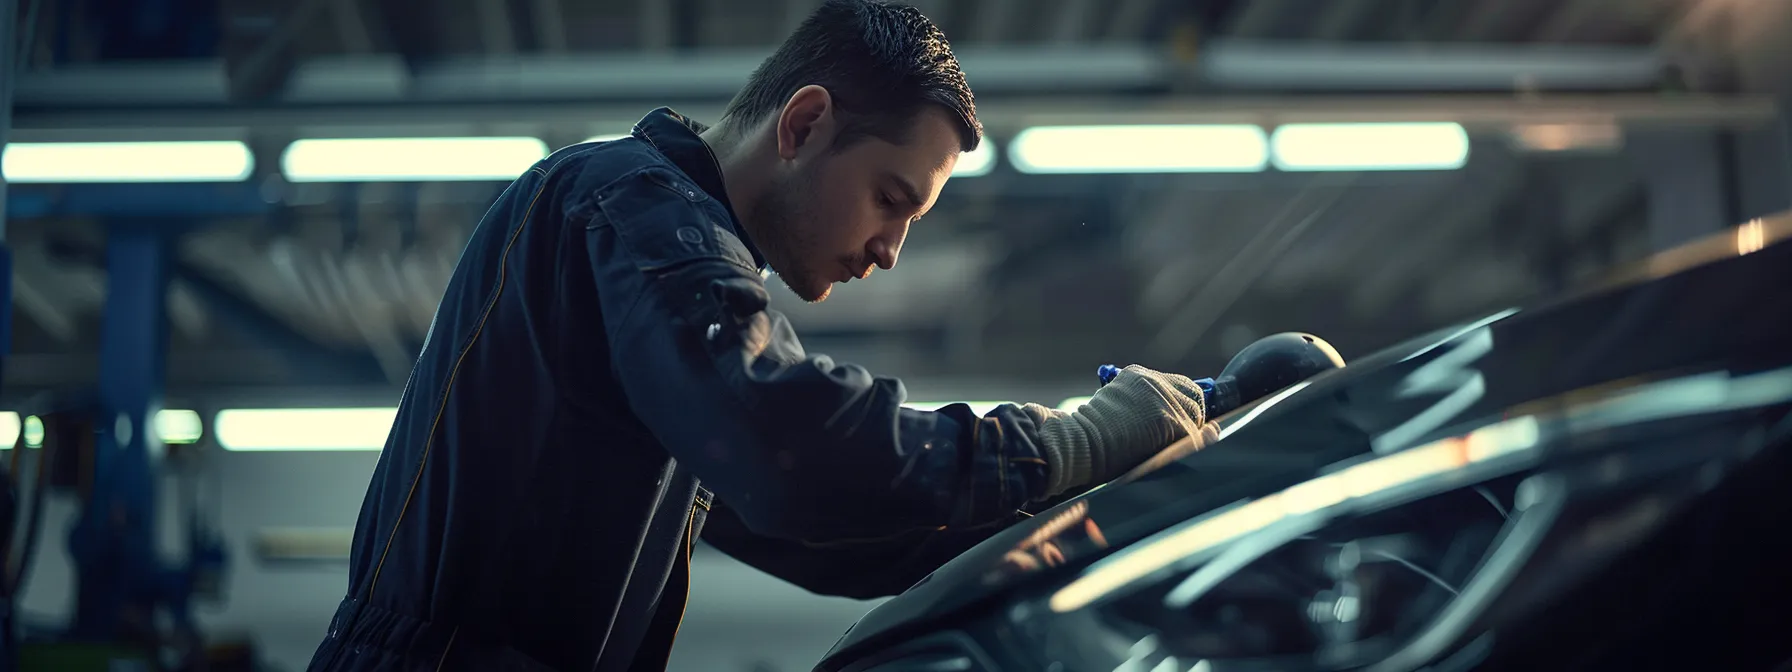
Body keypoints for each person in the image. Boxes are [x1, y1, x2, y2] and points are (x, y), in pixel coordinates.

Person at [306, 1, 1213, 670]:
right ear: (806, 124)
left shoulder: (658, 307)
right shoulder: (626, 203)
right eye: (891, 200)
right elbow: (786, 449)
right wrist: (1071, 439)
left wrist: (1085, 511)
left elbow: (836, 535)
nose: (893, 251)